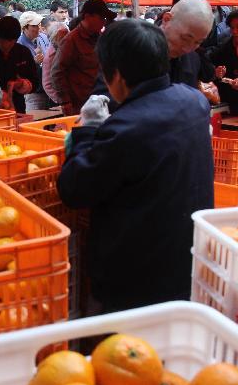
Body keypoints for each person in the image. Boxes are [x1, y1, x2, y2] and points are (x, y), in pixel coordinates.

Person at [58, 19, 213, 315]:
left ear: (115, 75)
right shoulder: (195, 102)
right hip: (187, 264)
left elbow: (74, 188)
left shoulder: (126, 128)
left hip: (134, 282)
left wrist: (87, 130)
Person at [50, 0, 116, 115]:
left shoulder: (100, 38)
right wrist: (65, 102)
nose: (103, 22)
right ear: (87, 16)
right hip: (80, 106)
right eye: (101, 18)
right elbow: (57, 72)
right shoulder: (71, 41)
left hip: (102, 102)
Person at [0, 16, 40, 114]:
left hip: (18, 108)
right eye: (3, 42)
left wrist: (23, 84)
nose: (7, 46)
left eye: (12, 42)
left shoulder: (23, 52)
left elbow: (35, 82)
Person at [42, 21, 69, 106]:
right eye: (62, 37)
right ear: (54, 38)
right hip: (61, 101)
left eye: (67, 35)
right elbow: (47, 84)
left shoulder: (71, 48)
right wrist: (62, 101)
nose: (65, 38)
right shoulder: (50, 56)